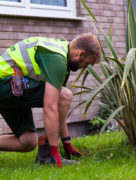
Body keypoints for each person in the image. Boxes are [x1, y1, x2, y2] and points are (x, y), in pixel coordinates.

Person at [0, 33, 101, 168]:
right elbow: (51, 106)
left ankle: (46, 154)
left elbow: (60, 107)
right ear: (80, 54)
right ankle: (47, 156)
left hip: (13, 87)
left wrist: (66, 142)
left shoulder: (63, 59)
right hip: (5, 83)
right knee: (64, 95)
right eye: (86, 63)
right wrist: (54, 152)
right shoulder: (57, 59)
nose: (84, 67)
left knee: (28, 141)